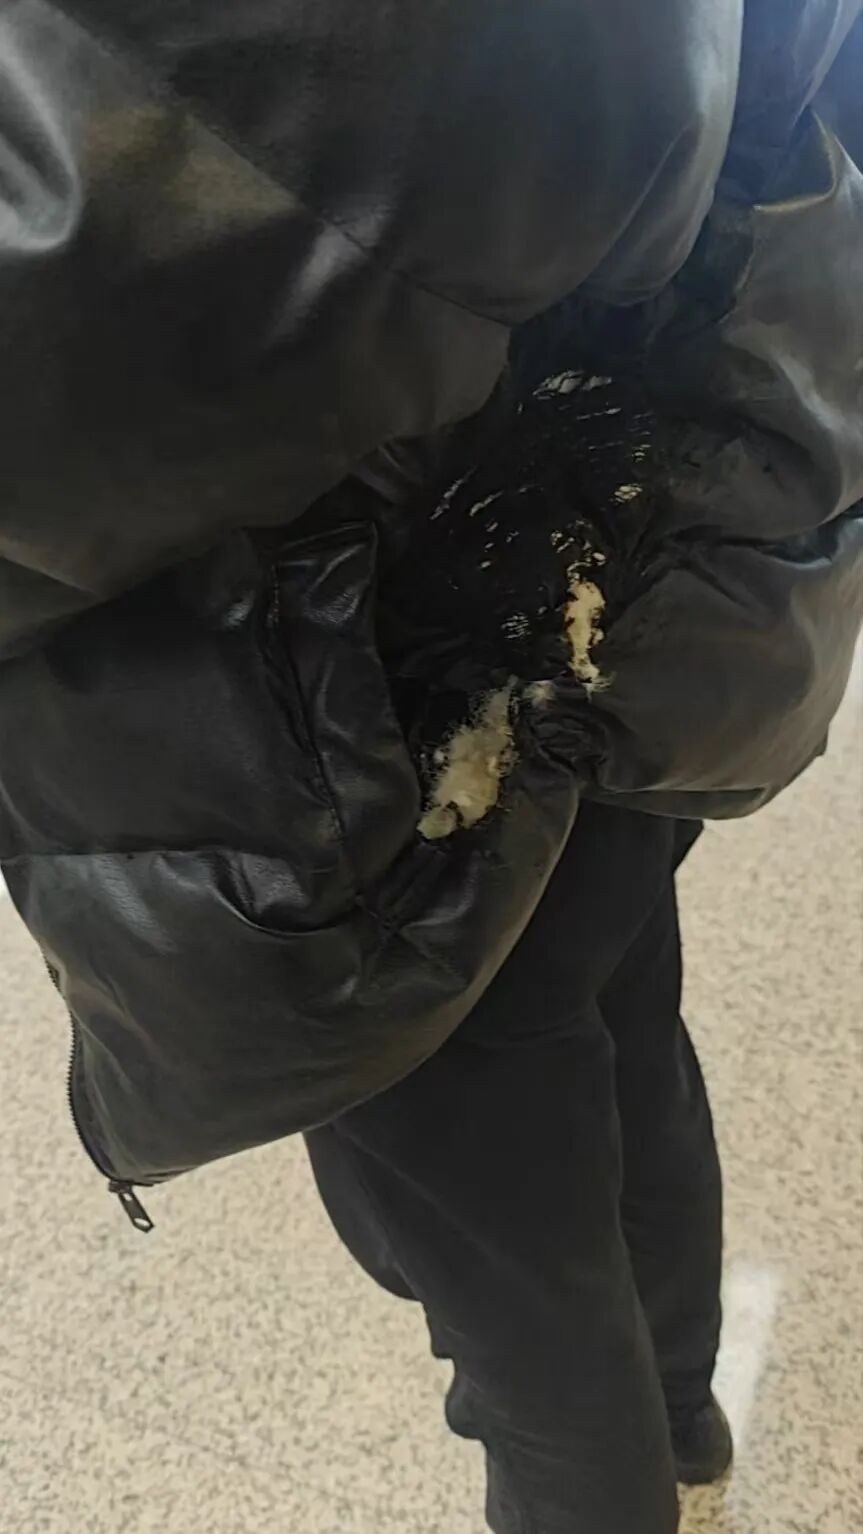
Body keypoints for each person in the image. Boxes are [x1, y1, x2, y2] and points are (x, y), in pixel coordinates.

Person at [1, 5, 861, 1533]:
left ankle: (624, 1476)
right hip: (630, 508)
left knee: (501, 1239)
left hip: (377, 677)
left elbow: (110, 319)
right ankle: (680, 1425)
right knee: (607, 1010)